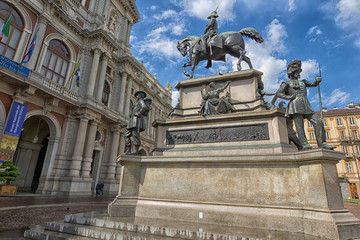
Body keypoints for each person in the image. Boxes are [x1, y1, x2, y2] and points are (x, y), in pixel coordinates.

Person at [277, 59, 334, 150]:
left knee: (318, 121)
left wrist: (317, 80)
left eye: (298, 71)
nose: (298, 73)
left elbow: (313, 84)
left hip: (306, 103)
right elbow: (279, 93)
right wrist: (289, 97)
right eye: (296, 71)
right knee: (300, 127)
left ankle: (322, 143)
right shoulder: (286, 83)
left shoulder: (303, 82)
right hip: (295, 104)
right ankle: (305, 145)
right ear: (291, 73)